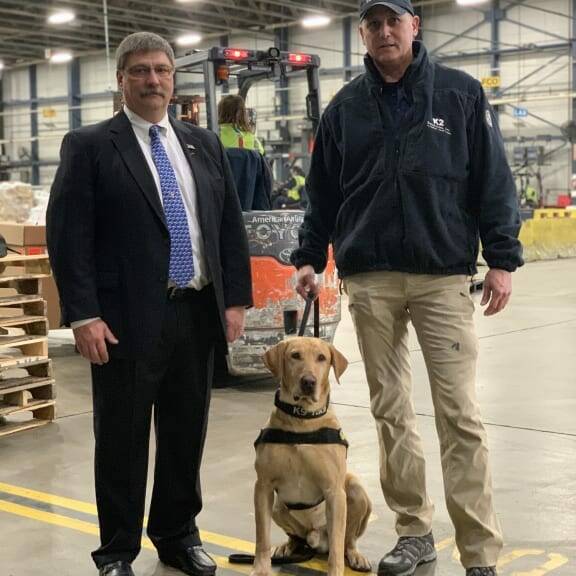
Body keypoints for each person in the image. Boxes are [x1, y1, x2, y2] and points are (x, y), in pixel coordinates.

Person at [290, 2, 523, 576]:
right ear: (363, 33)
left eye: (395, 20)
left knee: (459, 414)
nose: (385, 32)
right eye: (373, 23)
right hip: (369, 280)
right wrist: (307, 257)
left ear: (414, 26)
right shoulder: (344, 108)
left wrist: (502, 258)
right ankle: (414, 531)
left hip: (442, 276)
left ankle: (478, 553)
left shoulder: (460, 95)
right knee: (389, 409)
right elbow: (322, 194)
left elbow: (493, 179)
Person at [47, 32, 252, 576]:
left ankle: (177, 535)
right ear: (121, 80)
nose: (153, 80)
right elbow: (69, 238)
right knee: (122, 439)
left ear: (173, 77)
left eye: (161, 70)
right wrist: (84, 314)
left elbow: (227, 226)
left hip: (196, 310)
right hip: (123, 321)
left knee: (186, 434)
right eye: (140, 71)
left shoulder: (202, 144)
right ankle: (116, 550)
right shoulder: (90, 146)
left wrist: (234, 301)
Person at [218, 94, 271, 210]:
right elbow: (263, 168)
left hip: (221, 202)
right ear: (241, 113)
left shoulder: (214, 136)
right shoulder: (252, 139)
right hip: (249, 202)